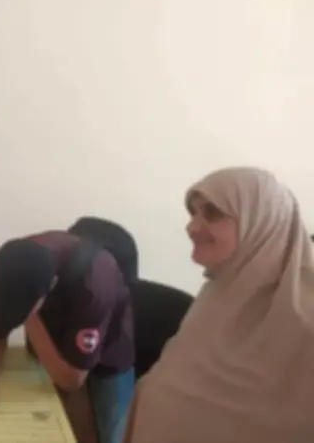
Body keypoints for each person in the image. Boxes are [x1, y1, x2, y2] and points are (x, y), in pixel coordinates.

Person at [124, 167, 314, 443]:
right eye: (193, 213)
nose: (192, 227)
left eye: (212, 213)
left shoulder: (304, 327)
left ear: (262, 223)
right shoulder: (217, 298)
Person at [0, 221, 137, 443]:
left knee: (112, 435)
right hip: (52, 342)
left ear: (51, 287)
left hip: (108, 357)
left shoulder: (95, 286)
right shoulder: (10, 268)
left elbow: (71, 379)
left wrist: (31, 318)